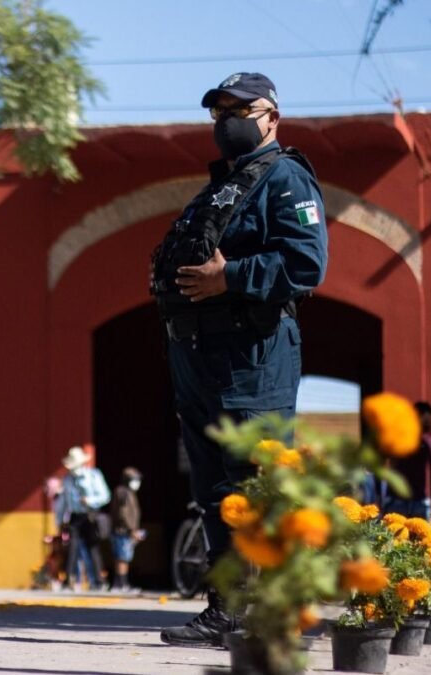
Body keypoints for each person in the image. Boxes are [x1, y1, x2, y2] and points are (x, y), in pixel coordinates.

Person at [151, 72, 328, 646]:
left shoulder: (284, 178)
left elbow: (306, 266)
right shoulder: (223, 186)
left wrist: (229, 276)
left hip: (253, 360)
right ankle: (226, 610)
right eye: (217, 111)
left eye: (237, 109)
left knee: (257, 485)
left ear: (271, 116)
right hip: (200, 357)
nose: (225, 120)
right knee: (214, 493)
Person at [56, 446, 111, 590]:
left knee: (93, 548)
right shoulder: (67, 479)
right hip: (75, 517)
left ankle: (99, 581)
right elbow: (63, 502)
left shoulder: (94, 476)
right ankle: (68, 580)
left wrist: (90, 500)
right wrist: (60, 521)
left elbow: (105, 496)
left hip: (90, 515)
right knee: (71, 548)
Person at [385, 401, 431, 518]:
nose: (430, 422)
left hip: (419, 499)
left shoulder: (430, 442)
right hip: (396, 498)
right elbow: (388, 464)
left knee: (421, 535)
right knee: (395, 535)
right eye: (427, 418)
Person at [109, 467, 145, 594]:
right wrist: (131, 529)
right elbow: (122, 513)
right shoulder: (123, 492)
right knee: (122, 558)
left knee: (124, 557)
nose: (137, 482)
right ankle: (120, 584)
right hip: (122, 531)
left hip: (125, 530)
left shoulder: (128, 492)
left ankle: (122, 583)